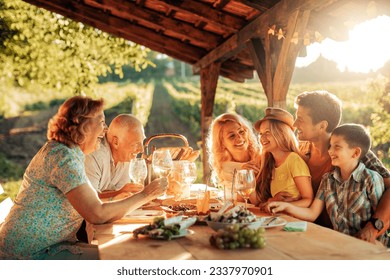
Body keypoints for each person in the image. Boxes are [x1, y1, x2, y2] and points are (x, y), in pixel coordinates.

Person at [0, 96, 167, 260]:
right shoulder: (62, 158)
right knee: (125, 258)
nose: (105, 130)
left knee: (127, 252)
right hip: (28, 254)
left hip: (52, 245)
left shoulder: (69, 153)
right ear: (84, 127)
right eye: (101, 123)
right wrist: (146, 195)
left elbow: (97, 206)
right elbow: (97, 214)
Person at [268, 124, 389, 247]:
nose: (330, 151)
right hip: (339, 245)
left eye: (337, 147)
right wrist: (285, 206)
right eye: (330, 146)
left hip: (369, 248)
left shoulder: (372, 179)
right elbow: (312, 213)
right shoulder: (327, 180)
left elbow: (382, 223)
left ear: (356, 152)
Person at [294, 90, 390, 242]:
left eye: (300, 119)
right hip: (311, 234)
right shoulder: (301, 152)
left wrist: (373, 227)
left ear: (322, 125)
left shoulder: (351, 152)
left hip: (352, 240)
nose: (294, 124)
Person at [251, 107, 313, 209]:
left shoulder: (294, 160)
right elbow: (258, 203)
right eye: (261, 134)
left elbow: (308, 200)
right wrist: (248, 180)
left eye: (267, 132)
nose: (262, 138)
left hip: (295, 221)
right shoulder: (269, 162)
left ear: (282, 134)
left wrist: (283, 206)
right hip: (279, 218)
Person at [85, 114, 146, 200]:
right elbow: (88, 200)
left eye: (142, 141)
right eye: (135, 144)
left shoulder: (125, 157)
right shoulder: (94, 155)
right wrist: (119, 192)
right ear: (115, 142)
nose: (141, 149)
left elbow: (122, 197)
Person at [206, 113, 261, 191]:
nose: (239, 138)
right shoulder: (226, 169)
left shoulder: (262, 156)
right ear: (222, 143)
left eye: (241, 131)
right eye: (232, 136)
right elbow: (238, 199)